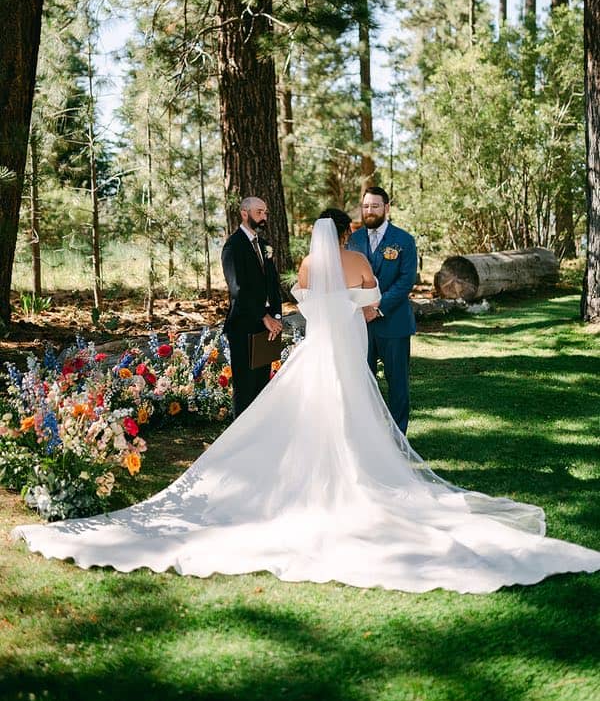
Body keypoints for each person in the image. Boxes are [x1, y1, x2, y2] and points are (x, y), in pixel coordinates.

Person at [12, 213, 600, 593]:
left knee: (303, 410)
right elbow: (369, 308)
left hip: (316, 346)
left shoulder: (306, 265)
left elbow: (302, 303)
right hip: (348, 348)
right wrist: (360, 308)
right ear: (346, 235)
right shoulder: (357, 261)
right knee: (355, 406)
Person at [347, 187, 417, 434]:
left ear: (387, 208)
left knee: (397, 383)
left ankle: (398, 436)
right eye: (366, 206)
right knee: (363, 382)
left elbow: (405, 281)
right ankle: (370, 434)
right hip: (359, 324)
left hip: (393, 322)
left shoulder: (404, 240)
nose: (369, 211)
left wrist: (378, 308)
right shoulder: (353, 240)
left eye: (375, 206)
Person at [221, 196, 283, 418]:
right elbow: (238, 289)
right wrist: (263, 316)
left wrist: (275, 316)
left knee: (262, 387)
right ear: (244, 213)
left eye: (265, 212)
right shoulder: (232, 246)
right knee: (245, 389)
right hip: (244, 327)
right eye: (259, 212)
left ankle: (258, 438)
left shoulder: (264, 245)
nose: (264, 217)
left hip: (267, 327)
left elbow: (272, 285)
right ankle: (240, 443)